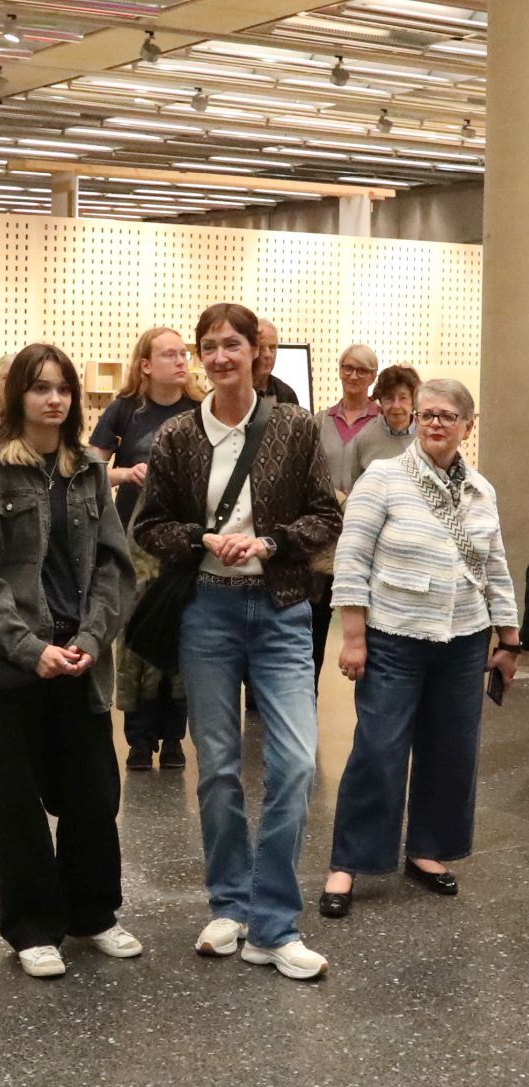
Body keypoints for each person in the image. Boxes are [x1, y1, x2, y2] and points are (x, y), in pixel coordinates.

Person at [133, 303, 342, 982]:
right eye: (208, 346)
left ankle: (273, 922)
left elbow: (325, 514)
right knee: (218, 767)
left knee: (294, 765)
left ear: (256, 351)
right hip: (208, 611)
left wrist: (273, 540)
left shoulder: (293, 426)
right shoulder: (176, 436)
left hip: (281, 610)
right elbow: (149, 525)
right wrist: (201, 539)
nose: (219, 356)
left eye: (232, 344)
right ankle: (229, 902)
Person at [0, 342, 140, 979]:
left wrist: (90, 640)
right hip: (11, 665)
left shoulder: (89, 469)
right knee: (15, 803)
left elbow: (115, 566)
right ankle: (33, 926)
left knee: (93, 793)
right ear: (17, 398)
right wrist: (30, 650)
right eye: (40, 388)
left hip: (80, 657)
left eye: (63, 388)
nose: (54, 398)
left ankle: (93, 914)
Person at [319, 380, 520, 919]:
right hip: (395, 637)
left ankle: (428, 850)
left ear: (467, 426)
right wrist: (354, 637)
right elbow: (352, 560)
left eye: (448, 416)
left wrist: (509, 639)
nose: (436, 423)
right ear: (414, 420)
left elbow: (494, 567)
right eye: (428, 414)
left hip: (464, 639)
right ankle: (349, 862)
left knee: (452, 749)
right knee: (379, 750)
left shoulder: (481, 488)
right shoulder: (383, 478)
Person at [89, 326, 197, 770]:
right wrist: (124, 474)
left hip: (185, 541)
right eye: (169, 355)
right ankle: (138, 739)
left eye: (183, 354)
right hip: (133, 541)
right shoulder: (125, 411)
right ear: (146, 365)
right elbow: (90, 467)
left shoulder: (201, 409)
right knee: (134, 639)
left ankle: (173, 738)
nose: (181, 361)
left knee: (181, 634)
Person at [309, 344, 381, 691]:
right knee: (315, 623)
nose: (353, 376)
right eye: (347, 367)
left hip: (367, 534)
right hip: (324, 537)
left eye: (362, 370)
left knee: (369, 624)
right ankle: (307, 695)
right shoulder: (320, 420)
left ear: (373, 376)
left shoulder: (384, 422)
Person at [350, 364, 421, 484]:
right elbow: (356, 489)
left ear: (414, 402)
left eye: (403, 398)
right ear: (380, 401)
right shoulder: (364, 439)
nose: (396, 405)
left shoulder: (427, 436)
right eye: (389, 398)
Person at [254, 319, 300, 405]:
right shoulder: (233, 390)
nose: (268, 355)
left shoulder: (286, 395)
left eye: (272, 348)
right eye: (261, 348)